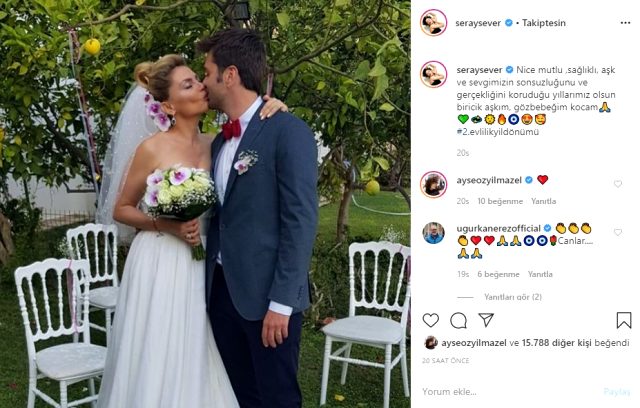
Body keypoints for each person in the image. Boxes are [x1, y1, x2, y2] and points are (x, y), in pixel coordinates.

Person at [95, 54, 287, 408]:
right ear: (168, 105)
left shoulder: (217, 143)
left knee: (196, 345)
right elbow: (121, 209)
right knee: (158, 346)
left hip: (202, 263)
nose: (200, 86)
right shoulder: (151, 149)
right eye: (188, 85)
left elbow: (260, 137)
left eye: (198, 79)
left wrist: (273, 108)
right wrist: (165, 225)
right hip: (159, 260)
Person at [199, 28, 318, 408]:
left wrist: (281, 303)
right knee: (239, 396)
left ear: (230, 74)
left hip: (268, 299)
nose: (204, 82)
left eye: (207, 72)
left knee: (277, 398)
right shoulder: (219, 141)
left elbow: (300, 221)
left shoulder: (288, 131)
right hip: (221, 293)